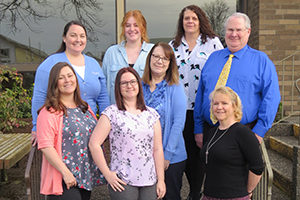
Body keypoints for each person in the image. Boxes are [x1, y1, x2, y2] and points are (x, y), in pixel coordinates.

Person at [194, 12, 281, 148]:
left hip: (243, 134)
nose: (234, 34)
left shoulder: (261, 61)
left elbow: (272, 97)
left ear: (248, 32)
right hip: (210, 132)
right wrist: (198, 128)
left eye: (238, 30)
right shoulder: (213, 58)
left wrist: (259, 131)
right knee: (209, 169)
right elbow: (201, 94)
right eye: (230, 30)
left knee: (239, 170)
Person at [169, 5, 223, 200]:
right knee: (179, 152)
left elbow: (222, 72)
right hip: (178, 109)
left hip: (202, 109)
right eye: (186, 18)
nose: (190, 21)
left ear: (200, 21)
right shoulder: (173, 45)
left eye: (194, 18)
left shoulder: (213, 44)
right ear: (181, 22)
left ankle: (194, 193)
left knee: (198, 154)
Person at [89, 67, 166, 200]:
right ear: (118, 87)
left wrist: (161, 180)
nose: (129, 85)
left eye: (133, 81)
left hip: (149, 180)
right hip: (123, 180)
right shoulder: (111, 113)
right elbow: (94, 144)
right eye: (124, 83)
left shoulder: (151, 114)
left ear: (139, 85)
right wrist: (107, 174)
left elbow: (157, 149)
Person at [31, 20, 110, 143]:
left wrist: (106, 125)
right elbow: (39, 97)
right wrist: (37, 127)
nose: (78, 39)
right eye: (73, 35)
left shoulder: (93, 64)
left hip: (92, 130)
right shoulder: (50, 64)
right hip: (63, 131)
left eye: (82, 36)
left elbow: (103, 97)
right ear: (64, 38)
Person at [36, 62, 105, 199]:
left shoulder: (84, 108)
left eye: (70, 75)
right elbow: (46, 146)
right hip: (64, 178)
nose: (67, 80)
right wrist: (65, 173)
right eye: (61, 78)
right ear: (55, 83)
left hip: (84, 176)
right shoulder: (49, 112)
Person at [201, 86, 264, 199]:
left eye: (224, 103)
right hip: (209, 195)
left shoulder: (243, 133)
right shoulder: (212, 132)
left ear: (234, 106)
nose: (219, 107)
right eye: (215, 103)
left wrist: (248, 191)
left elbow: (257, 167)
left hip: (234, 196)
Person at [142, 42, 187, 200]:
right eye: (156, 56)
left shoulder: (175, 87)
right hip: (144, 156)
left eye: (165, 58)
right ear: (149, 58)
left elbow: (178, 123)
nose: (159, 61)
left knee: (169, 196)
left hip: (171, 157)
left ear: (170, 64)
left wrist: (167, 155)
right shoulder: (139, 87)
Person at [102, 10, 154, 104]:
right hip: (116, 113)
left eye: (136, 25)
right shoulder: (111, 53)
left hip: (145, 113)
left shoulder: (153, 52)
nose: (131, 29)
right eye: (128, 25)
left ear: (143, 28)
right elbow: (103, 88)